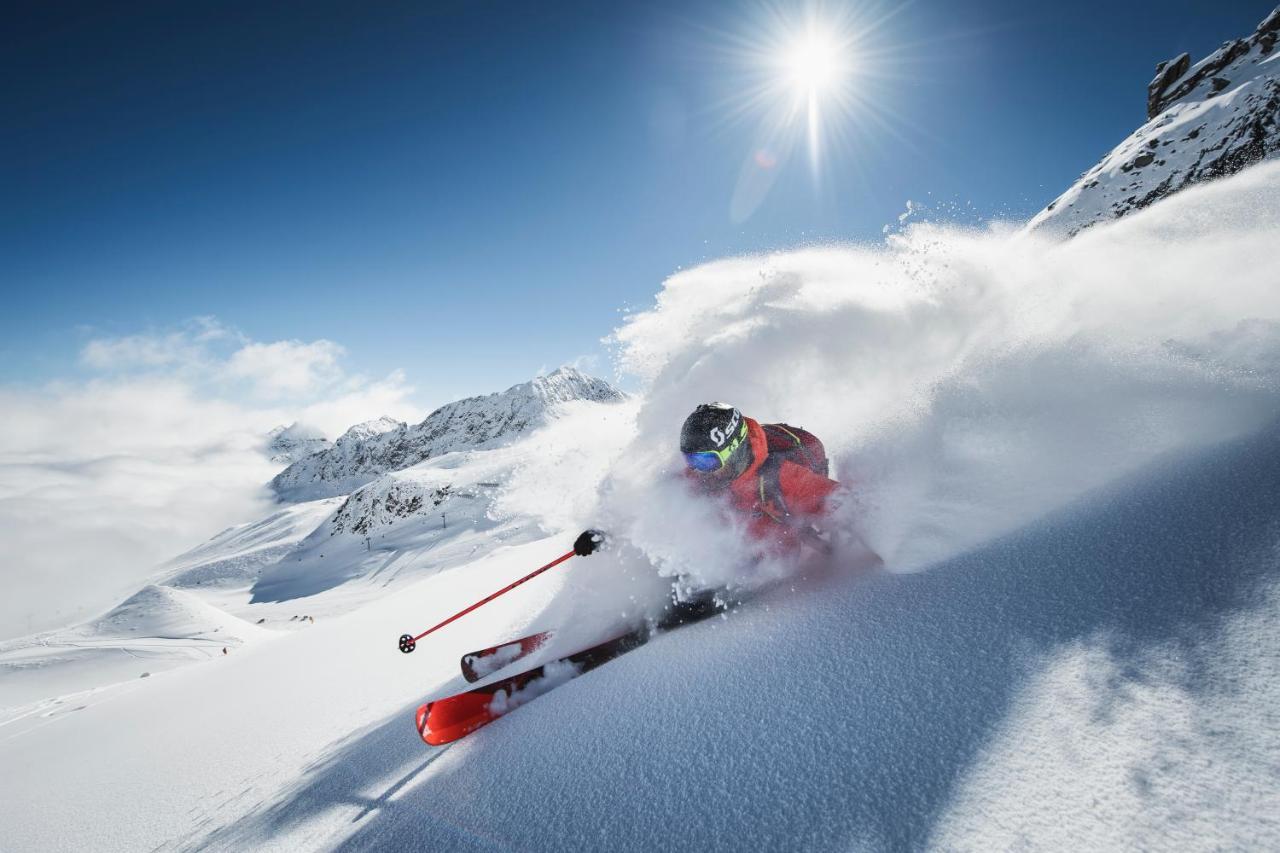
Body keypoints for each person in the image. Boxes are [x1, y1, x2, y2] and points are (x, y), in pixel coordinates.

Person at [574, 403, 848, 618]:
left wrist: (879, 540)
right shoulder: (706, 474)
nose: (696, 468)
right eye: (691, 459)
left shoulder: (784, 478)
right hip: (730, 533)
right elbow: (656, 512)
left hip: (773, 550)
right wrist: (606, 534)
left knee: (699, 589)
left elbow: (845, 504)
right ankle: (671, 598)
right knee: (673, 557)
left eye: (705, 460)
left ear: (733, 451)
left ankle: (688, 606)